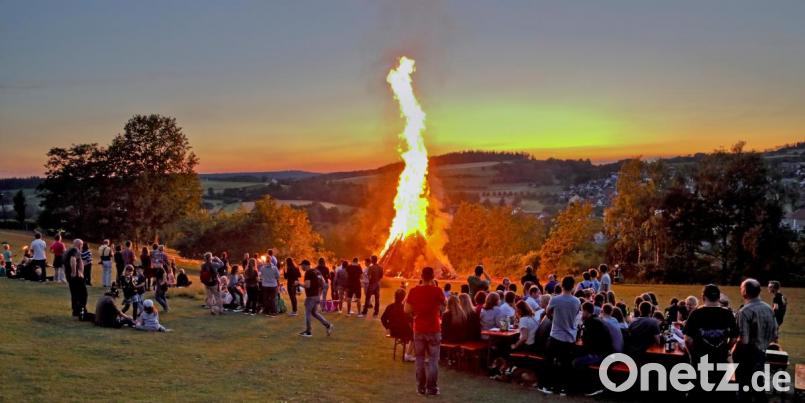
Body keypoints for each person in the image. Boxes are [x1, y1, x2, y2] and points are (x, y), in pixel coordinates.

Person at [683, 284, 738, 398]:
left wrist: (692, 354)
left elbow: (687, 339)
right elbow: (734, 338)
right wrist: (726, 349)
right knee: (719, 391)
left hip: (700, 358)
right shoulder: (728, 313)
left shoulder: (696, 313)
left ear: (703, 297)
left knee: (699, 391)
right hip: (720, 358)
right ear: (718, 297)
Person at [735, 278, 778, 403]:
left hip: (747, 357)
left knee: (743, 390)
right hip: (762, 352)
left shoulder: (745, 311)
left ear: (745, 291)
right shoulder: (768, 308)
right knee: (759, 388)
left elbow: (744, 340)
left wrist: (732, 352)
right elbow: (775, 333)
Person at [405, 267, 446, 396]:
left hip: (419, 328)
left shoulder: (414, 291)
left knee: (420, 359)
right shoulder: (437, 291)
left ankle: (421, 387)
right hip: (434, 328)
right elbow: (444, 306)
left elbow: (406, 309)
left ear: (421, 276)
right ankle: (432, 388)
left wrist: (415, 314)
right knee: (433, 360)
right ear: (433, 277)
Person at [539, 275, 580, 396]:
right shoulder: (576, 301)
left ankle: (548, 385)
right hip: (570, 336)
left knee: (550, 361)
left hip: (556, 334)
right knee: (566, 364)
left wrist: (555, 319)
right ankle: (565, 388)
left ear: (562, 285)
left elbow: (548, 312)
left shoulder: (555, 299)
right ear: (573, 287)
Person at [299, 260, 334, 337]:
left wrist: (298, 283)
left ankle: (308, 332)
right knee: (314, 313)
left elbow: (307, 285)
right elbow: (323, 283)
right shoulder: (317, 271)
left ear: (306, 265)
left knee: (308, 313)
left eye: (302, 265)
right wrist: (319, 293)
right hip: (317, 295)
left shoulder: (308, 273)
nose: (301, 267)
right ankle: (328, 325)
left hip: (311, 296)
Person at [382, 288, 415, 361]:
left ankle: (407, 349)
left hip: (393, 331)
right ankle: (409, 354)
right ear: (404, 297)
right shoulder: (404, 308)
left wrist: (387, 327)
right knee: (416, 335)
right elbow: (411, 320)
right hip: (404, 331)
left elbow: (383, 318)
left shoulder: (390, 306)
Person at [66, 239, 88, 317]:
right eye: (81, 245)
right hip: (76, 277)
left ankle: (75, 311)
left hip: (71, 276)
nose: (82, 247)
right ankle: (82, 310)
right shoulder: (75, 250)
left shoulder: (70, 250)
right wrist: (74, 272)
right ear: (79, 245)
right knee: (83, 294)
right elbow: (73, 259)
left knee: (74, 294)